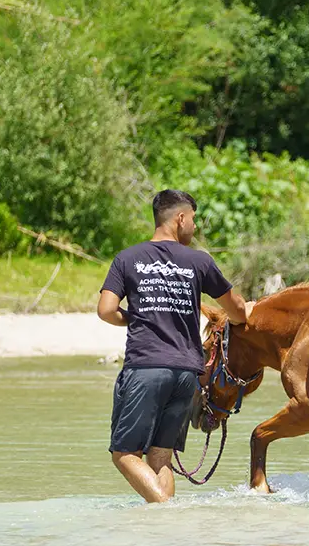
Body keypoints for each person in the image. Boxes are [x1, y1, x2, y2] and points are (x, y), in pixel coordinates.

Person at [97, 189, 249, 503]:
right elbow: (237, 310)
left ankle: (165, 511)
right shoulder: (199, 261)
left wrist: (140, 318)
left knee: (124, 454)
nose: (194, 227)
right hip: (186, 375)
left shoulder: (127, 258)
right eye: (192, 219)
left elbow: (106, 310)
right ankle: (168, 535)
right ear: (180, 219)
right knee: (160, 458)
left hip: (146, 368)